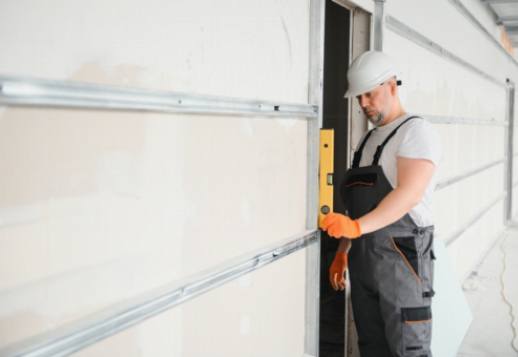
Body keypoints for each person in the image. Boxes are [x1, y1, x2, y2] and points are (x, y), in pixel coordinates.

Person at [319, 51, 441, 357]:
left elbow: (409, 194)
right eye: (359, 97)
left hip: (402, 264)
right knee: (372, 347)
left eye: (369, 94)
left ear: (391, 86)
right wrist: (343, 252)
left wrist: (357, 227)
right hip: (364, 265)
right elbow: (357, 209)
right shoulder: (366, 141)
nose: (363, 104)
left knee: (407, 349)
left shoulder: (415, 132)